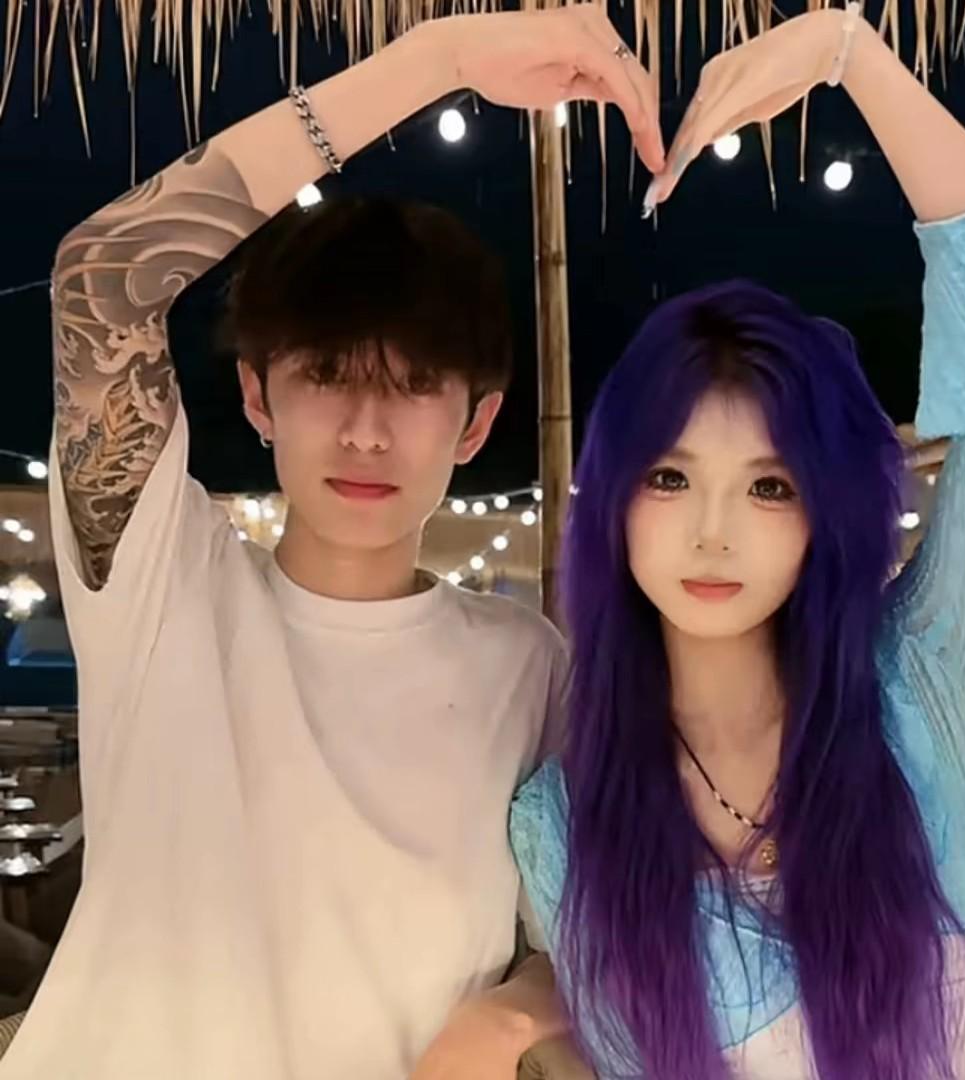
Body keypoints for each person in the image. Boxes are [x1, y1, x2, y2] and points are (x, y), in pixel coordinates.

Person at [2, 7, 665, 1079]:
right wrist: (440, 59)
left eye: (414, 385)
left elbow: (587, 939)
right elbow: (104, 270)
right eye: (324, 376)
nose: (365, 430)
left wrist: (508, 1019)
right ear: (257, 396)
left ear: (476, 423)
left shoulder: (525, 664)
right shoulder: (167, 588)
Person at [511, 7, 965, 1079]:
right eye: (670, 477)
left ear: (826, 512)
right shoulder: (565, 824)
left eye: (769, 486)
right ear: (614, 500)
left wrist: (849, 54)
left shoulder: (910, 683)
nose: (713, 533)